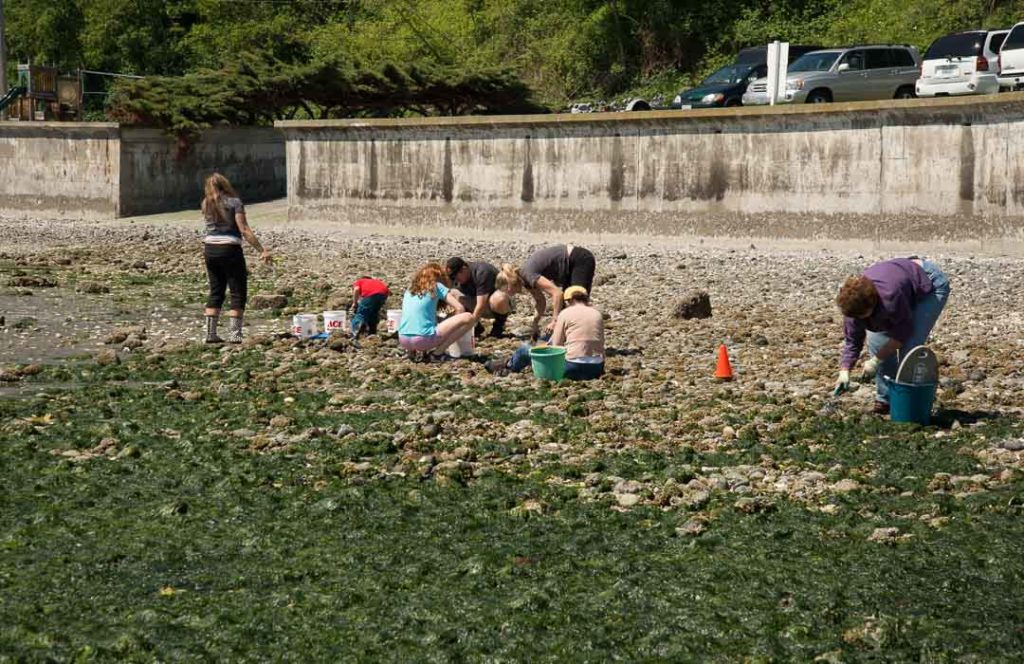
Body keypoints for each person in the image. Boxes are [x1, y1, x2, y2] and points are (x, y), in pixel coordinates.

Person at [834, 257, 951, 414]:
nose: (860, 320)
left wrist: (875, 361)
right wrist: (845, 370)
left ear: (872, 304)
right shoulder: (852, 308)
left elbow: (902, 333)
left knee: (910, 347)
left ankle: (911, 403)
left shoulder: (890, 298)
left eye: (864, 316)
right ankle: (886, 400)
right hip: (901, 280)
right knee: (877, 344)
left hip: (929, 284)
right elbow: (853, 341)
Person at [200, 173, 271, 344]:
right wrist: (262, 250)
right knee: (237, 290)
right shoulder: (234, 202)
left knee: (216, 290)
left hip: (210, 249)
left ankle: (211, 334)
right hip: (229, 248)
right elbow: (244, 229)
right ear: (226, 185)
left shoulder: (205, 203)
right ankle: (235, 335)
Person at [486, 286, 605, 380]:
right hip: (596, 368)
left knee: (525, 349)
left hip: (572, 367)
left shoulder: (566, 313)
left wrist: (540, 346)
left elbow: (556, 346)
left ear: (569, 301)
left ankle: (509, 366)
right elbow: (601, 345)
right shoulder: (597, 314)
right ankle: (507, 363)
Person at [398, 262, 477, 360]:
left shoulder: (410, 289)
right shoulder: (437, 286)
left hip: (403, 340)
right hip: (423, 340)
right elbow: (460, 308)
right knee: (469, 317)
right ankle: (438, 353)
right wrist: (454, 328)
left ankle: (411, 352)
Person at [519, 244, 596, 338]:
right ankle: (567, 339)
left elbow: (557, 294)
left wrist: (554, 321)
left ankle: (587, 337)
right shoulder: (525, 278)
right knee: (565, 305)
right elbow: (540, 301)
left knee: (577, 302)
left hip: (579, 259)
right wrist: (535, 324)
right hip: (569, 265)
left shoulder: (527, 274)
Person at [445, 257, 513, 337]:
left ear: (464, 268)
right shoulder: (457, 279)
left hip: (497, 305)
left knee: (499, 298)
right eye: (452, 277)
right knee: (452, 294)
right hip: (476, 302)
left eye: (456, 275)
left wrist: (470, 325)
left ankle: (498, 327)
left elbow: (481, 305)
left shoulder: (482, 272)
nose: (455, 279)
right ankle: (477, 329)